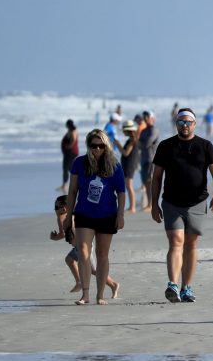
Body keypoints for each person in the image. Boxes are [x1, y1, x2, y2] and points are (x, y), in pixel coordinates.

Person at [151, 108, 213, 303]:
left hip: (197, 202)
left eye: (188, 122)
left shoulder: (205, 146)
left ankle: (186, 288)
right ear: (176, 124)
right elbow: (156, 177)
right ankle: (173, 284)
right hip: (171, 202)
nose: (184, 125)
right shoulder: (165, 146)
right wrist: (154, 204)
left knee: (191, 244)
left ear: (195, 124)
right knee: (176, 241)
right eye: (181, 122)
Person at [65, 129, 126, 305]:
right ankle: (85, 294)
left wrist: (120, 214)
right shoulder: (79, 163)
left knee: (102, 255)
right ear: (88, 146)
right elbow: (72, 191)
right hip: (84, 213)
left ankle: (100, 295)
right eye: (94, 146)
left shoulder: (115, 165)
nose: (97, 149)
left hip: (107, 215)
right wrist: (69, 217)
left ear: (106, 147)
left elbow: (121, 192)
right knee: (83, 251)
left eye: (101, 146)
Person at [50, 194, 119, 297]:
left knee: (94, 270)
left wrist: (53, 237)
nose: (55, 210)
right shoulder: (72, 215)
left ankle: (113, 285)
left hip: (83, 247)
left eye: (56, 207)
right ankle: (79, 281)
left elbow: (62, 234)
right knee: (70, 260)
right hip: (81, 246)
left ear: (64, 208)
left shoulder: (62, 218)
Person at [115, 120, 140, 213]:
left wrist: (118, 145)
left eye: (124, 130)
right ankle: (131, 206)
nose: (123, 132)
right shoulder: (132, 139)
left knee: (129, 185)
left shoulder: (132, 140)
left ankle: (132, 207)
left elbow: (126, 153)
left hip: (130, 164)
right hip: (128, 164)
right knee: (128, 185)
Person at [138, 111, 160, 211]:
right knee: (146, 182)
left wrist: (141, 143)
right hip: (143, 158)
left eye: (147, 117)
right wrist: (141, 143)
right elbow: (139, 144)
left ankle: (151, 204)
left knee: (151, 182)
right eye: (144, 117)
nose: (145, 119)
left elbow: (146, 143)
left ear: (151, 118)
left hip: (151, 159)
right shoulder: (144, 130)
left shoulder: (154, 130)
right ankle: (149, 204)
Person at [59, 119, 79, 193]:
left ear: (68, 125)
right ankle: (66, 184)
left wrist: (69, 146)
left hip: (71, 153)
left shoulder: (73, 131)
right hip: (69, 153)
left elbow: (73, 140)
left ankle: (66, 185)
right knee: (68, 168)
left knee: (67, 168)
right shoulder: (71, 130)